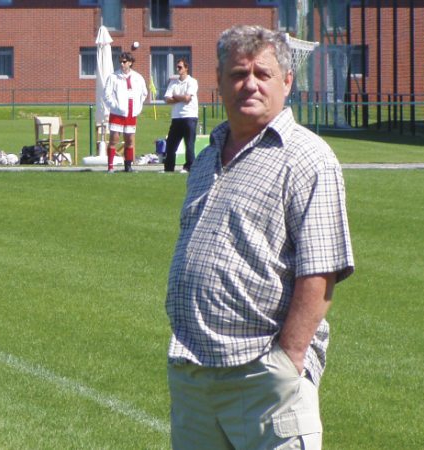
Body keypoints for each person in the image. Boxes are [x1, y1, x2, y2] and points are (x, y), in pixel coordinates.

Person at [165, 25, 355, 449]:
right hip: (194, 376)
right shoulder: (207, 157)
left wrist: (288, 359)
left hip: (263, 379)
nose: (249, 84)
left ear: (286, 81)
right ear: (219, 82)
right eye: (237, 74)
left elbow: (321, 271)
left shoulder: (308, 158)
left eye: (262, 74)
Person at [103, 51, 148, 173]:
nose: (122, 64)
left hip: (131, 113)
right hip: (117, 113)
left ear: (130, 63)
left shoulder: (138, 77)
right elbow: (106, 95)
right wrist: (115, 106)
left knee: (129, 140)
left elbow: (144, 93)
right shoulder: (113, 77)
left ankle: (128, 166)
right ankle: (110, 166)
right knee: (114, 139)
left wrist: (138, 107)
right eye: (120, 62)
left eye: (124, 62)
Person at [163, 58, 199, 173]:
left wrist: (175, 96)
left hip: (189, 116)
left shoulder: (192, 82)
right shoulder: (173, 82)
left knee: (189, 144)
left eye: (180, 67)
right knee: (171, 144)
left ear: (186, 68)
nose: (178, 69)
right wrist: (180, 98)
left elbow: (187, 99)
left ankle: (188, 167)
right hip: (176, 117)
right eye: (177, 67)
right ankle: (169, 168)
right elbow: (167, 99)